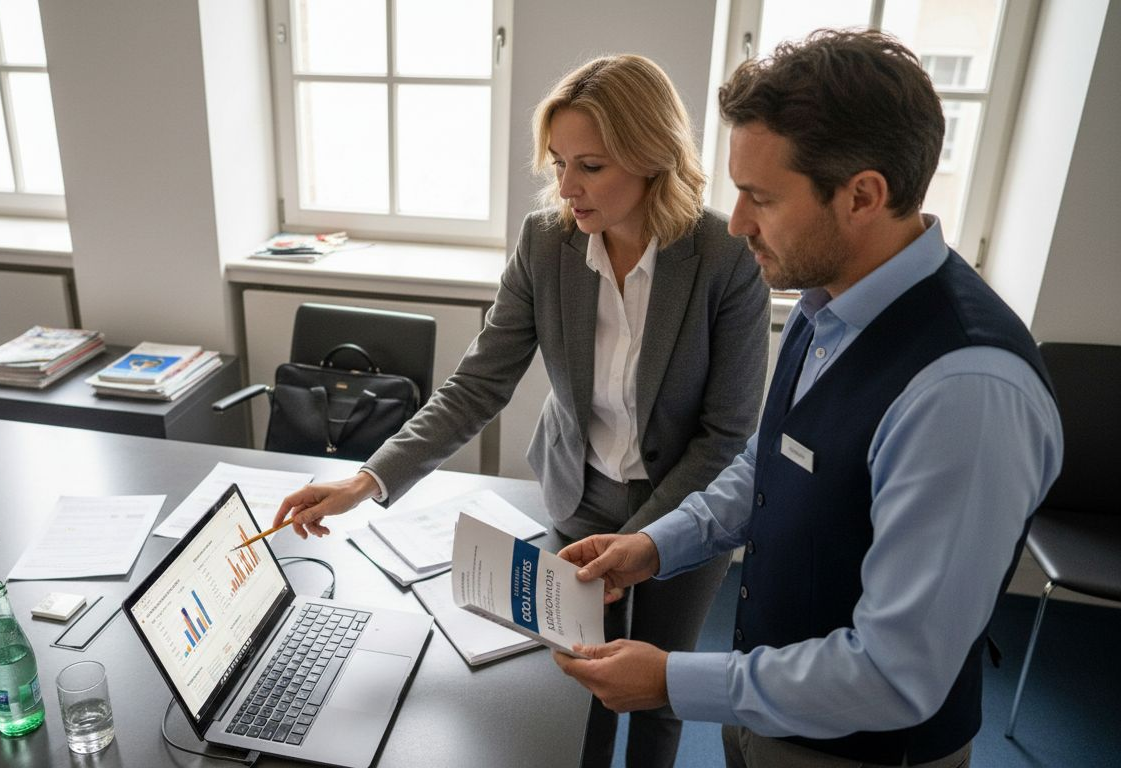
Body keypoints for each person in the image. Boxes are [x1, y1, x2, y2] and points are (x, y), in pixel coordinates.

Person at [552, 29, 1064, 768]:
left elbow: (895, 675)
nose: (736, 222)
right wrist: (655, 545)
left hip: (863, 752)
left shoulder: (968, 395)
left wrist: (671, 678)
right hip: (768, 711)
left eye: (760, 197)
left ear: (862, 196)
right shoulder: (828, 300)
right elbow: (774, 460)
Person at [274, 54, 769, 767]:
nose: (566, 187)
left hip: (684, 512)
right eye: (559, 162)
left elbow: (724, 437)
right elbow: (477, 385)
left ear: (652, 157)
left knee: (656, 688)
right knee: (581, 684)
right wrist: (365, 481)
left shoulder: (725, 258)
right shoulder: (547, 243)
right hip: (580, 494)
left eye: (590, 166)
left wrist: (637, 548)